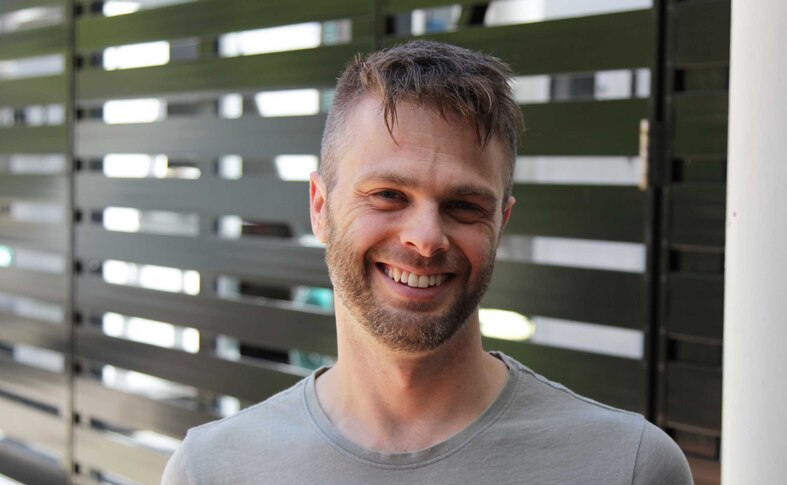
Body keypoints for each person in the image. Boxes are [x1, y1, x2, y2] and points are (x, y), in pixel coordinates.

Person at [162, 40, 693, 484]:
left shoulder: (630, 468)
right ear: (320, 209)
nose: (426, 239)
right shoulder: (211, 470)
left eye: (464, 206)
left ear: (500, 224)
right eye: (389, 195)